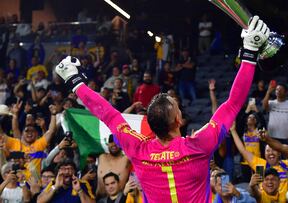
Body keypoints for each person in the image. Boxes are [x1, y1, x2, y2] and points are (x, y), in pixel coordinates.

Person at [55, 15, 269, 202]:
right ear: (178, 120)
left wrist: (75, 81)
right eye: (177, 108)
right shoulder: (198, 145)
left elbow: (108, 113)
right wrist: (249, 52)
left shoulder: (138, 150)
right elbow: (232, 104)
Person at [230, 124, 288, 197]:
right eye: (268, 151)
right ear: (264, 154)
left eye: (274, 150)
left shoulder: (287, 164)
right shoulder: (260, 165)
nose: (270, 153)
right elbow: (243, 150)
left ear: (279, 153)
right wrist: (233, 130)